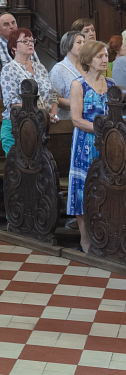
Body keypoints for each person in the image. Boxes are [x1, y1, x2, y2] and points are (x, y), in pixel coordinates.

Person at [67, 39, 113, 251]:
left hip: (108, 145)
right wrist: (102, 129)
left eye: (106, 56)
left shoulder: (111, 85)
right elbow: (76, 119)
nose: (105, 59)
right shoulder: (79, 84)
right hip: (85, 144)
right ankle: (85, 239)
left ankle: (105, 236)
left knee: (107, 188)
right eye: (100, 56)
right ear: (88, 59)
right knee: (84, 189)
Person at [0, 28, 59, 154]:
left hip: (43, 124)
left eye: (32, 40)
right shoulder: (9, 69)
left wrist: (52, 114)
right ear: (14, 47)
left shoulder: (40, 67)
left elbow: (53, 94)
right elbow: (12, 102)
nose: (30, 43)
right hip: (18, 126)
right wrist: (40, 113)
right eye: (25, 41)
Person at [0, 12, 38, 93]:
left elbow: (38, 69)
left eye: (13, 23)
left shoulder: (27, 46)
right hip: (8, 95)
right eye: (6, 24)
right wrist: (18, 92)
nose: (11, 26)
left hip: (33, 92)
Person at [50, 28, 87, 103]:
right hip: (69, 110)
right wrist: (75, 104)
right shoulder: (58, 69)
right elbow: (53, 97)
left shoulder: (88, 66)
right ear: (68, 45)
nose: (83, 45)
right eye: (79, 42)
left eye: (84, 42)